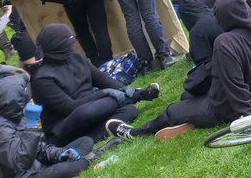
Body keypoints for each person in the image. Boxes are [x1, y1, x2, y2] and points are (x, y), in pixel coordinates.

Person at [108, 0, 251, 141]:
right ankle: (188, 118)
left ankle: (135, 133)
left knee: (172, 110)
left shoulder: (225, 42)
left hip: (224, 108)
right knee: (187, 99)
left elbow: (234, 87)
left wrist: (249, 120)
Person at [31, 24, 159, 147]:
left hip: (95, 109)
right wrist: (104, 93)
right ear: (56, 47)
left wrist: (122, 88)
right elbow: (70, 108)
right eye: (67, 44)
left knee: (130, 110)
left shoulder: (74, 57)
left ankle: (100, 132)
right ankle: (138, 95)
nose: (72, 46)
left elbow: (100, 78)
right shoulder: (42, 78)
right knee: (85, 112)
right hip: (66, 125)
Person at [0, 75, 93, 178]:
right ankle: (83, 162)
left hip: (38, 168)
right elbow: (21, 162)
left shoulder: (15, 118)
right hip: (24, 175)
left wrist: (59, 154)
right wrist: (32, 126)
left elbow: (38, 148)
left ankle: (75, 162)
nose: (29, 100)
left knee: (85, 141)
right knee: (64, 169)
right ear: (15, 101)